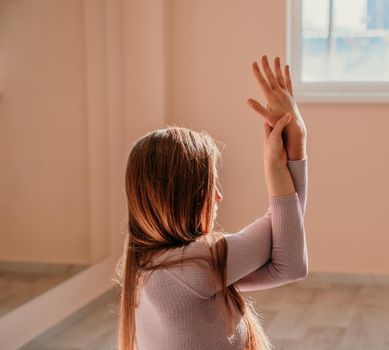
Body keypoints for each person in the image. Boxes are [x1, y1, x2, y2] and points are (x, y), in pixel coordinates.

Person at [115, 54, 308, 350]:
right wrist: (289, 151)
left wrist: (290, 150)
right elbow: (290, 259)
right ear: (184, 194)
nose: (218, 196)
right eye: (210, 185)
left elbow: (286, 249)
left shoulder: (147, 263)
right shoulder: (196, 265)